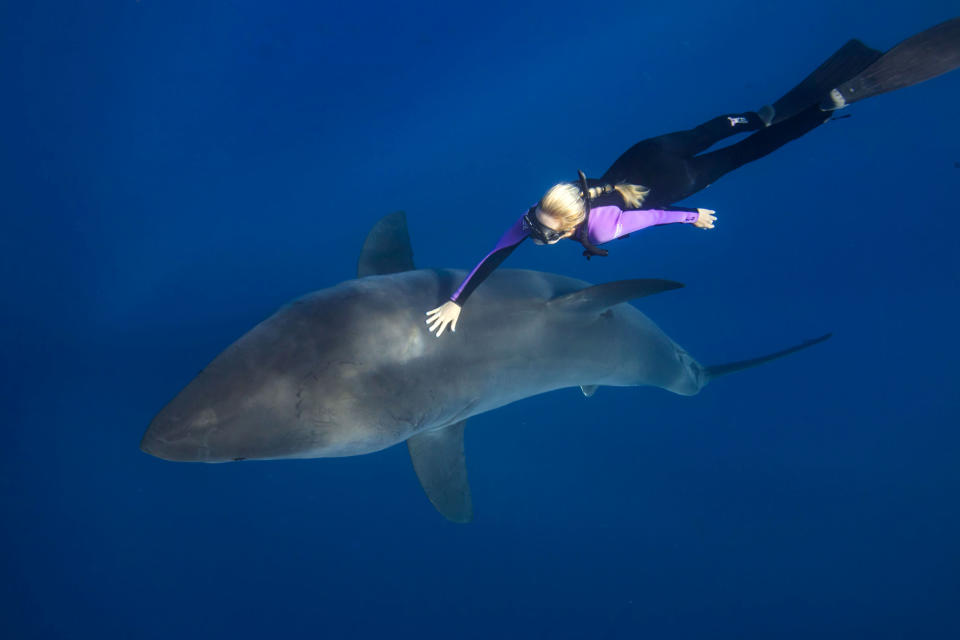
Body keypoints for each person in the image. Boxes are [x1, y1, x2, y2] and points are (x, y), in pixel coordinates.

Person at [426, 18, 960, 337]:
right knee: (718, 127)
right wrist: (456, 300)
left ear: (571, 225)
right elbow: (495, 254)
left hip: (676, 181)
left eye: (542, 230)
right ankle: (771, 111)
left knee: (748, 154)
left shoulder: (605, 228)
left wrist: (692, 216)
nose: (533, 233)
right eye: (533, 223)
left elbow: (653, 217)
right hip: (649, 151)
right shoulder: (548, 209)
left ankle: (825, 107)